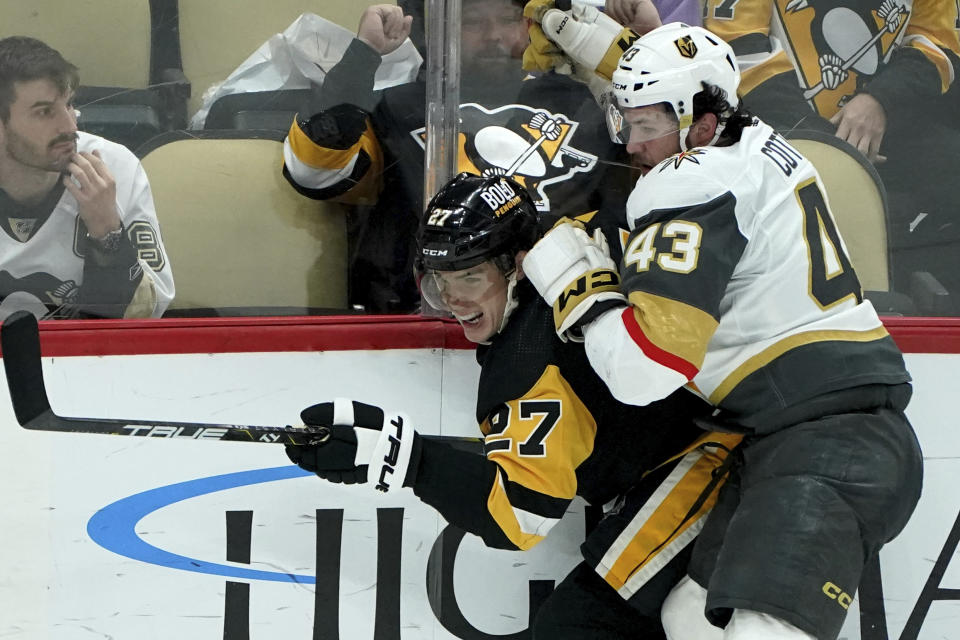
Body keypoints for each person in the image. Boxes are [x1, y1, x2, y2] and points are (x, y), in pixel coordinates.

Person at [520, 22, 923, 639]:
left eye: (648, 128)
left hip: (831, 443)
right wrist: (585, 30)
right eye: (626, 121)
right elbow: (697, 73)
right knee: (688, 617)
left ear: (700, 127)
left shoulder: (691, 181)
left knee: (760, 632)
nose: (631, 145)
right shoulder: (752, 135)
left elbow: (642, 370)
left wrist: (580, 285)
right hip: (806, 435)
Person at [284, 172, 742, 638]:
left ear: (519, 265)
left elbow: (519, 518)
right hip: (741, 437)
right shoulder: (581, 234)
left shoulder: (528, 361)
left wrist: (410, 462)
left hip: (717, 464)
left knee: (580, 629)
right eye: (439, 281)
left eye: (469, 275)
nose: (452, 299)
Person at [282, 0, 696, 313]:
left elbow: (682, 161)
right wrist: (364, 55)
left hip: (566, 315)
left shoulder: (580, 100)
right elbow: (313, 172)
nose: (494, 35)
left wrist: (645, 47)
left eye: (506, 19)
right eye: (475, 23)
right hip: (430, 315)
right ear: (441, 31)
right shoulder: (400, 106)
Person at [701, 0, 960, 306]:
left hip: (891, 126)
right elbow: (740, 49)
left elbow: (939, 45)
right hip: (779, 131)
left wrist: (880, 102)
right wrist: (828, 143)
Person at [0, 36, 173, 321]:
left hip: (90, 362)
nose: (70, 126)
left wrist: (108, 235)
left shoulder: (116, 167)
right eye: (44, 112)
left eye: (69, 105)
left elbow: (147, 318)